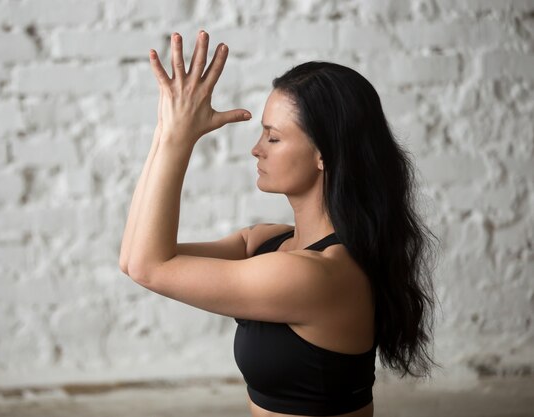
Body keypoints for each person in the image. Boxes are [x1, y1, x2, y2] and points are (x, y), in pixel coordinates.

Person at [119, 30, 439, 417]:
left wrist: (177, 139)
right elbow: (135, 257)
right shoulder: (267, 242)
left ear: (324, 154)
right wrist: (166, 126)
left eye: (273, 138)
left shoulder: (317, 275)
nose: (256, 148)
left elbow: (148, 266)